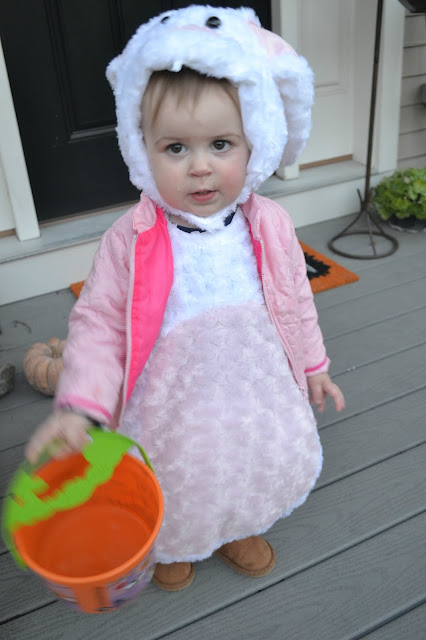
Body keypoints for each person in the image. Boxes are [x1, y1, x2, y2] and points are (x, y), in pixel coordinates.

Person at [25, 6, 345, 592]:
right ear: (141, 149)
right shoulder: (133, 238)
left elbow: (296, 300)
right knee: (176, 471)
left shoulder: (269, 224)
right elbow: (99, 325)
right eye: (175, 148)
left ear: (255, 144)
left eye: (221, 144)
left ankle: (238, 525)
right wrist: (79, 407)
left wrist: (314, 365)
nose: (200, 167)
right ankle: (173, 537)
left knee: (249, 460)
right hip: (172, 404)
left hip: (254, 391)